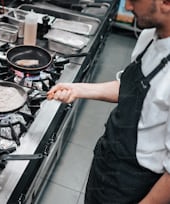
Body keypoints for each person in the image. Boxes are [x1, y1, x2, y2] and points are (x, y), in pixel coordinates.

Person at [47, 0, 170, 203]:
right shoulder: (150, 36)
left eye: (134, 0)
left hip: (134, 183)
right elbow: (129, 88)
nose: (128, 6)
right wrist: (77, 89)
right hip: (108, 158)